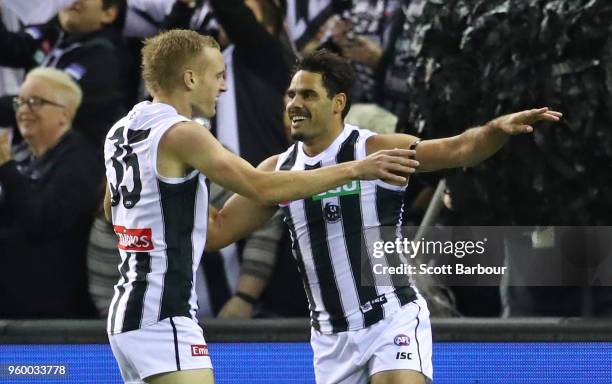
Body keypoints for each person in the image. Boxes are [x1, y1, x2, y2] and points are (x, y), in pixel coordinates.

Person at [206, 50, 562, 384]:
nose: (294, 104)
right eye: (291, 95)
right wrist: (180, 176)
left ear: (338, 103)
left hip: (390, 319)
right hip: (331, 338)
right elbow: (216, 233)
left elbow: (459, 149)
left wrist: (496, 129)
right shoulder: (277, 169)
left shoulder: (374, 148)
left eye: (308, 95)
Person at [103, 29, 417, 384]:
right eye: (218, 75)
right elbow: (261, 186)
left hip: (127, 313)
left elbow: (111, 209)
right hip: (164, 313)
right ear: (190, 78)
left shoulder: (122, 131)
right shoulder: (184, 133)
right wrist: (356, 169)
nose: (223, 87)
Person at [0, 67, 102, 318]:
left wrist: (5, 165)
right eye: (20, 102)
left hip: (53, 311)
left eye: (35, 101)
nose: (24, 110)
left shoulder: (80, 160)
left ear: (64, 114)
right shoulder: (36, 158)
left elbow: (41, 222)